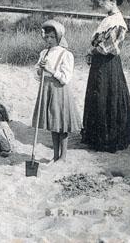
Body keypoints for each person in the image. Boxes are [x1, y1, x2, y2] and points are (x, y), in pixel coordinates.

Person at [82, 0, 130, 152]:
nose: (100, 3)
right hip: (100, 63)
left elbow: (111, 47)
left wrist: (93, 50)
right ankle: (95, 136)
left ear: (113, 2)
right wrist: (93, 49)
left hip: (108, 64)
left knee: (108, 96)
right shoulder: (108, 19)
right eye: (100, 0)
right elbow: (98, 40)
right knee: (98, 95)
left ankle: (109, 138)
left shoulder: (118, 22)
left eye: (103, 0)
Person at [31, 20, 81, 162]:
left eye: (52, 37)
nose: (49, 40)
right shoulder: (44, 52)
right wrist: (40, 70)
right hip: (46, 89)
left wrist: (51, 70)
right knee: (53, 123)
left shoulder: (66, 54)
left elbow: (65, 78)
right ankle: (55, 155)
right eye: (47, 37)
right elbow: (36, 74)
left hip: (59, 90)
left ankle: (63, 156)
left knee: (62, 124)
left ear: (59, 38)